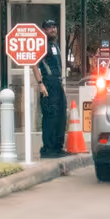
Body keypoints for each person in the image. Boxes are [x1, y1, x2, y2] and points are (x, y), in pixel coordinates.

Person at [37, 23, 67, 157]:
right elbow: (33, 63)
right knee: (51, 115)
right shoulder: (42, 45)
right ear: (44, 30)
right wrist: (40, 83)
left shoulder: (55, 45)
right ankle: (48, 148)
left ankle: (57, 147)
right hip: (48, 82)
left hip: (58, 82)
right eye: (49, 27)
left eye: (55, 26)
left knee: (61, 114)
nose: (53, 29)